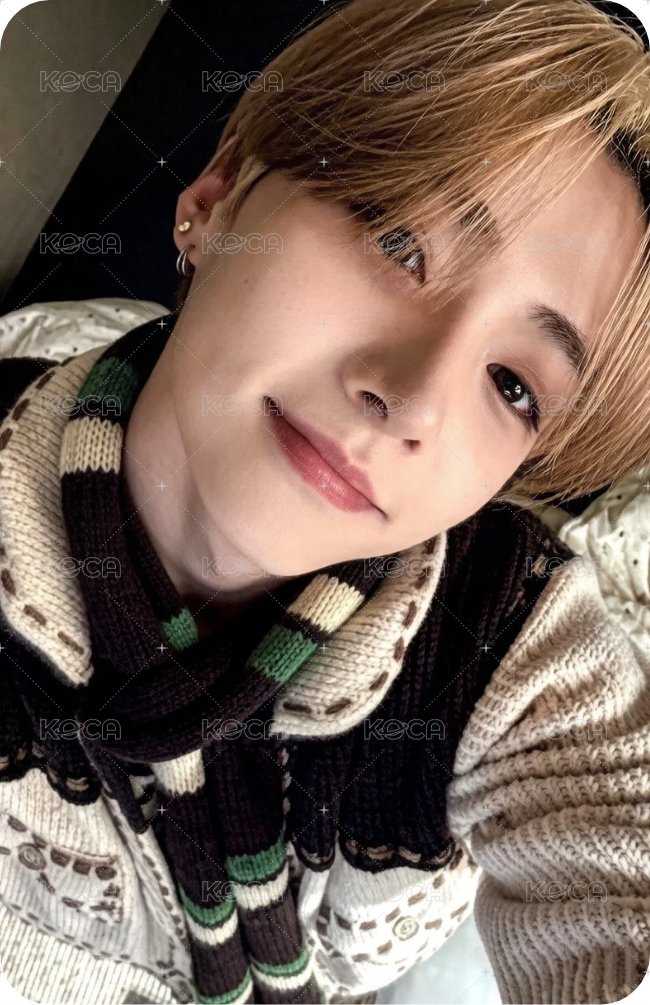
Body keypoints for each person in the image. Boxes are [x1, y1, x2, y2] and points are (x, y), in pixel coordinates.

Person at [0, 1, 649, 1003]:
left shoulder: (503, 642)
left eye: (512, 385)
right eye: (397, 239)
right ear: (217, 198)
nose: (414, 399)